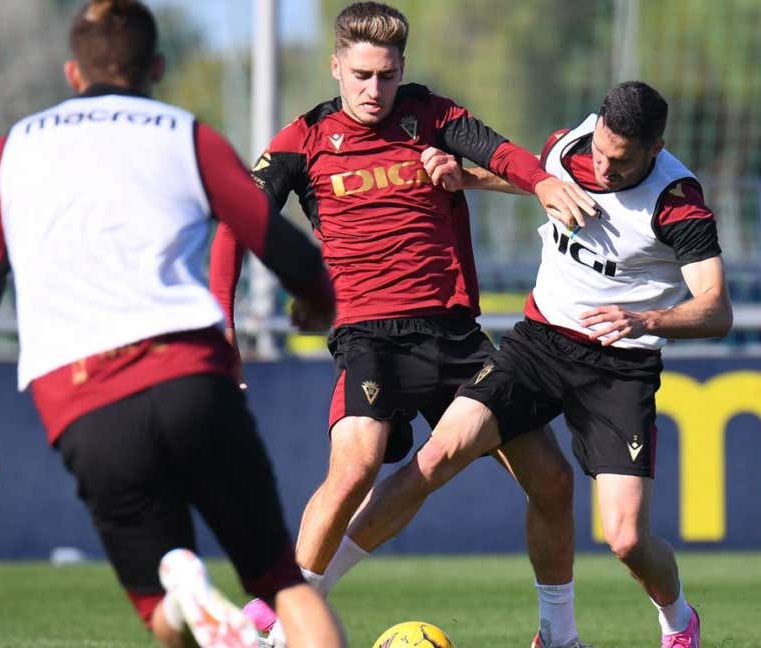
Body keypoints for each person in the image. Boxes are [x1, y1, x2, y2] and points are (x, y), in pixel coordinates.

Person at [0, 2, 346, 647]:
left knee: (158, 607)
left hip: (80, 394)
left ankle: (185, 603)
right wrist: (316, 299)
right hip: (189, 375)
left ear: (74, 73)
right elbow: (277, 240)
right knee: (282, 583)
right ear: (156, 66)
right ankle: (203, 603)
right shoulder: (182, 134)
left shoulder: (9, 152)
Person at [210, 3, 597, 647]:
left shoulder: (431, 116)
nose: (373, 90)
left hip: (455, 337)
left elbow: (500, 152)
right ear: (335, 66)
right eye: (361, 74)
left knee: (552, 480)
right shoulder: (301, 141)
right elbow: (234, 227)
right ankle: (281, 622)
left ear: (402, 70)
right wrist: (221, 331)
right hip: (368, 336)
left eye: (386, 75)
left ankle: (559, 636)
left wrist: (543, 184)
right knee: (357, 462)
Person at [341, 81, 733, 648]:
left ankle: (678, 620)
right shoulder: (568, 147)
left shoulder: (678, 203)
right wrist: (467, 177)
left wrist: (647, 320)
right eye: (599, 151)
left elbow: (716, 309)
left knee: (625, 539)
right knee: (439, 452)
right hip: (539, 344)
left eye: (620, 162)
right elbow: (538, 185)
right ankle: (308, 590)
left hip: (620, 368)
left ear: (656, 148)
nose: (602, 168)